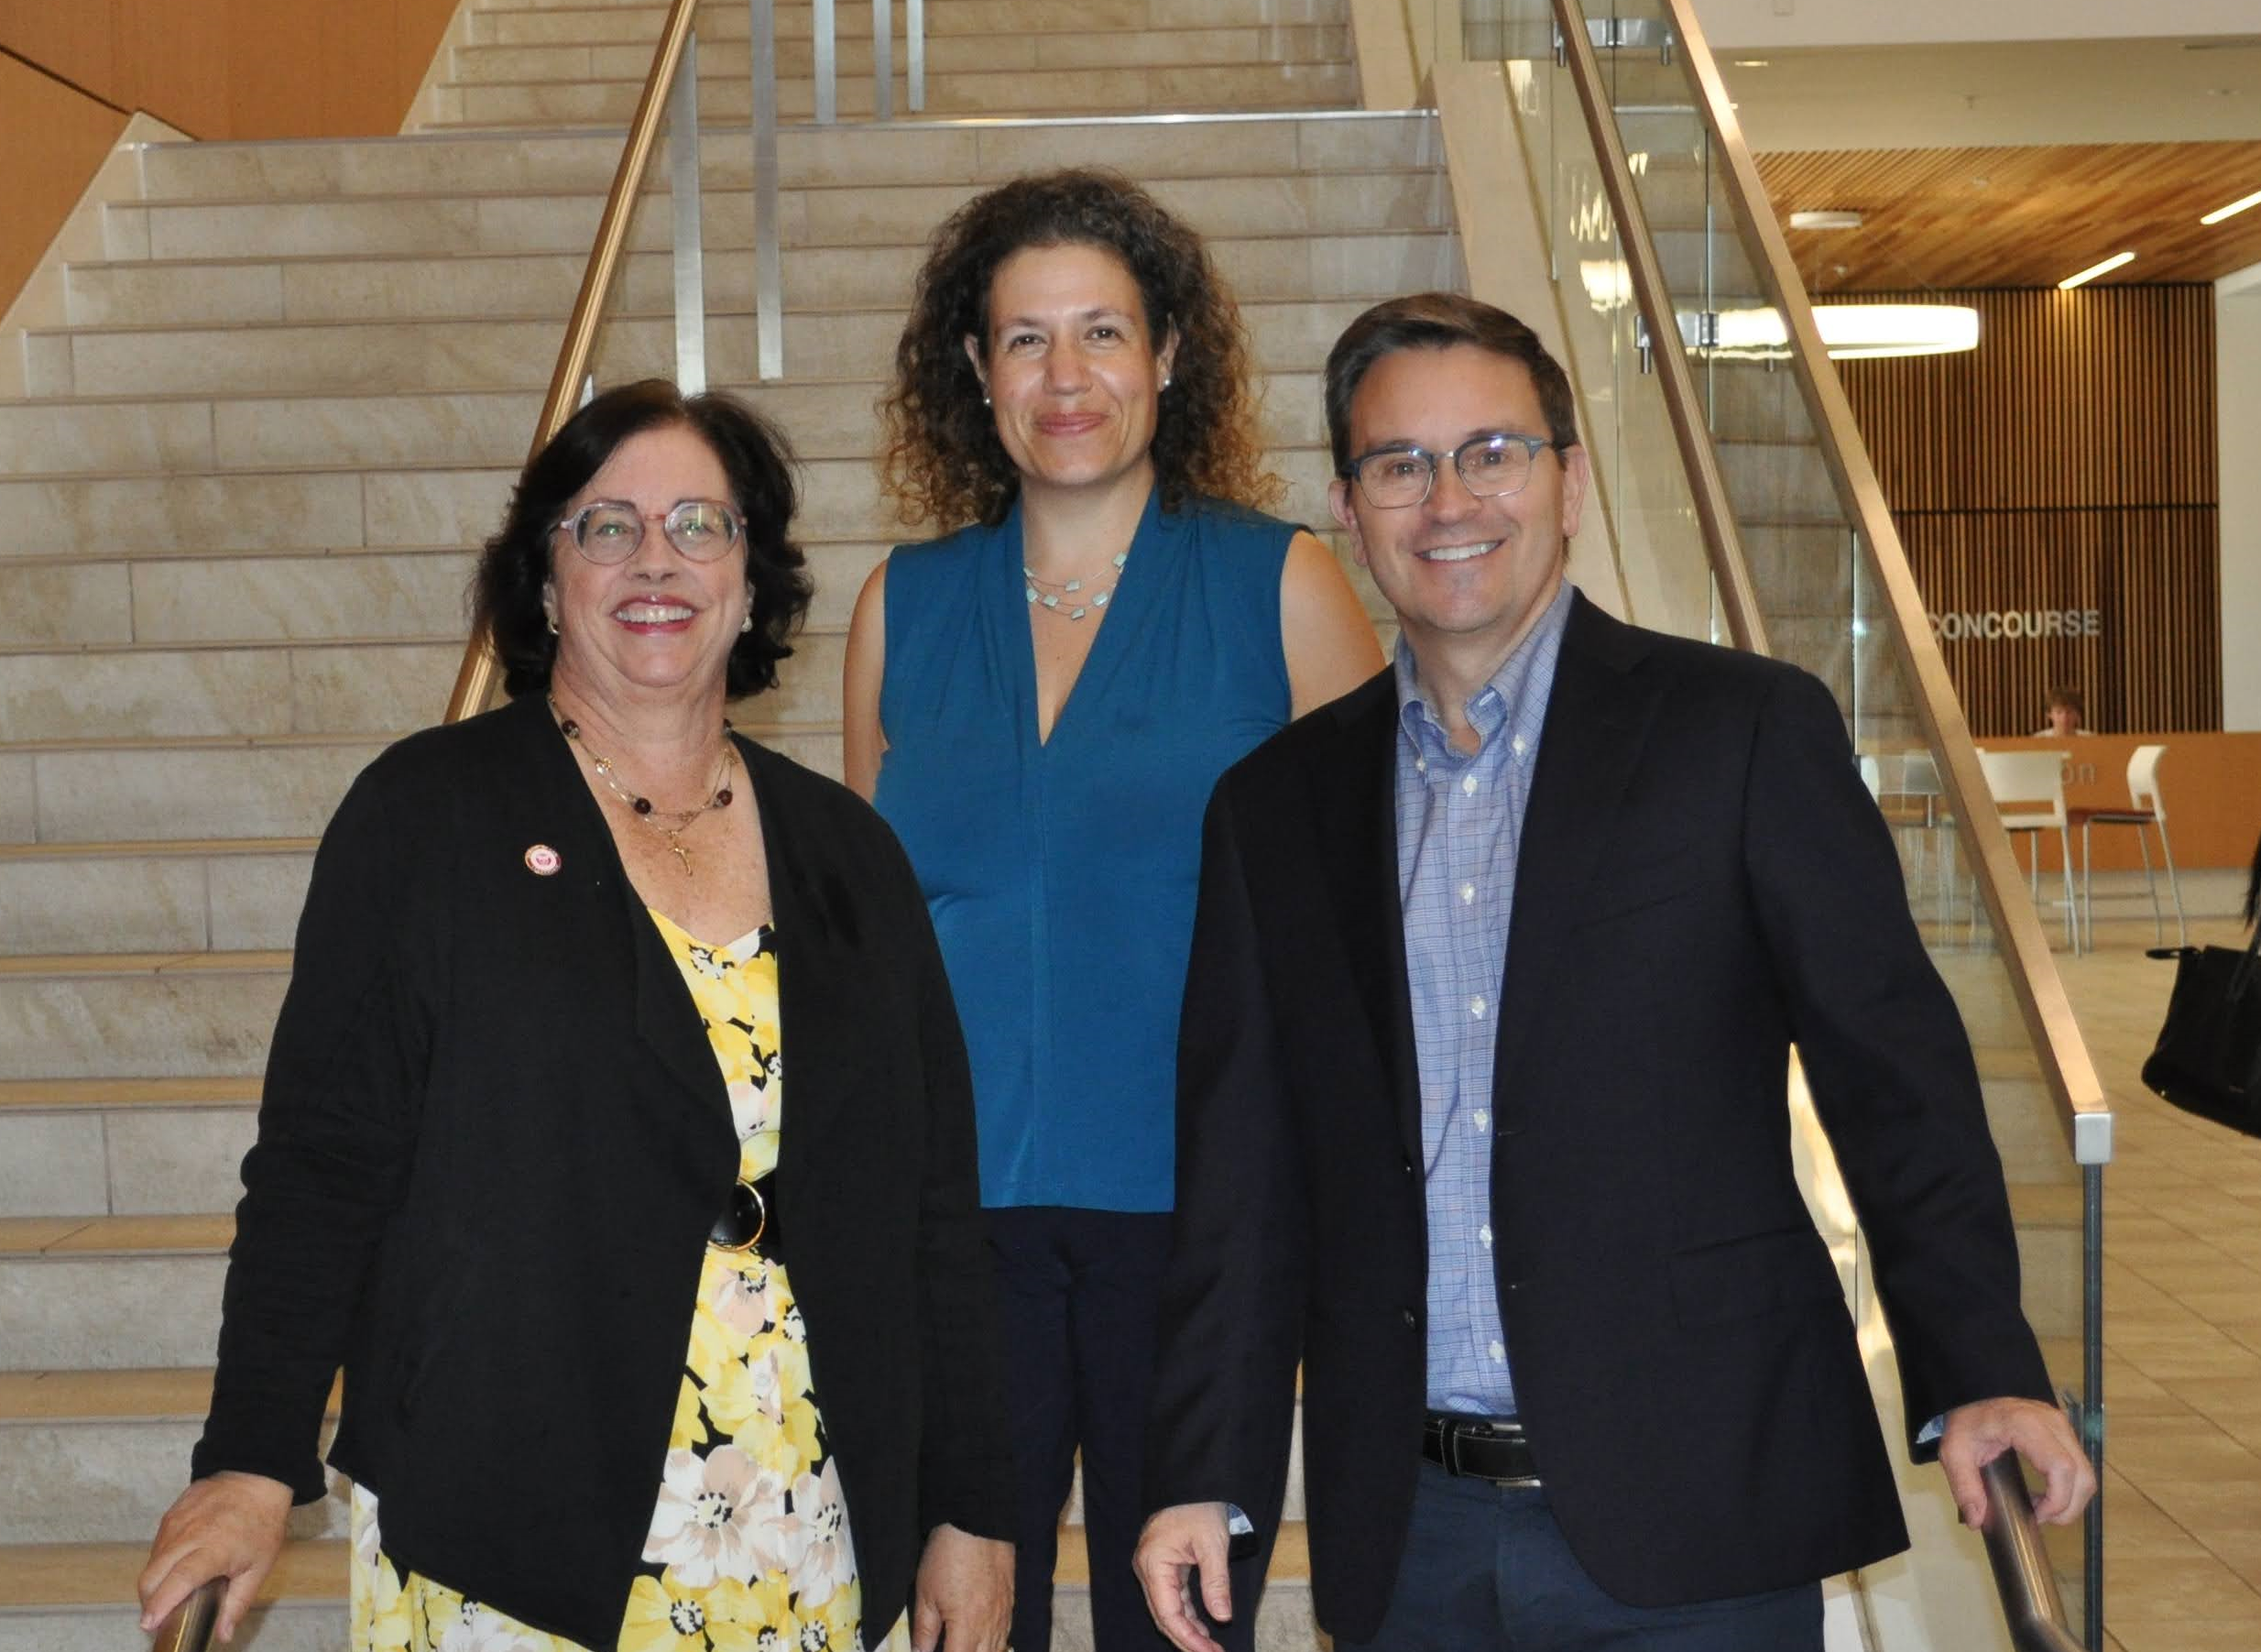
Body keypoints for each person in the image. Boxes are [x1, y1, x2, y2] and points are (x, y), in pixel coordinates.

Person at [1132, 295, 2096, 1652]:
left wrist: (1983, 1364)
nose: (1448, 498)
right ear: (1349, 509)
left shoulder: (1742, 731)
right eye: (1399, 464)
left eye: (1493, 452)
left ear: (1569, 480)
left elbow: (1898, 1077)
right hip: (1410, 1536)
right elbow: (1242, 1175)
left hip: (1695, 1507)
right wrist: (1204, 1469)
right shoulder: (1275, 807)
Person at [137, 380, 1014, 1652]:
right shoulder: (427, 815)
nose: (655, 558)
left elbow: (937, 1201)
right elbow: (324, 1162)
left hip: (803, 1518)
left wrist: (973, 1505)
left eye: (700, 526)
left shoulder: (850, 853)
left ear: (753, 580)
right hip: (509, 1530)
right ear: (545, 581)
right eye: (606, 526)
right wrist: (250, 1458)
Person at [842, 169, 1382, 1652]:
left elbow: (1362, 930)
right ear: (974, 372)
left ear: (1169, 356)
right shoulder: (904, 602)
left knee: (1181, 1632)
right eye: (1025, 340)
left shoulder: (1282, 584)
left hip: (1198, 1227)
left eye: (1101, 333)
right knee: (966, 1624)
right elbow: (880, 945)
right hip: (959, 1233)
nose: (1065, 377)